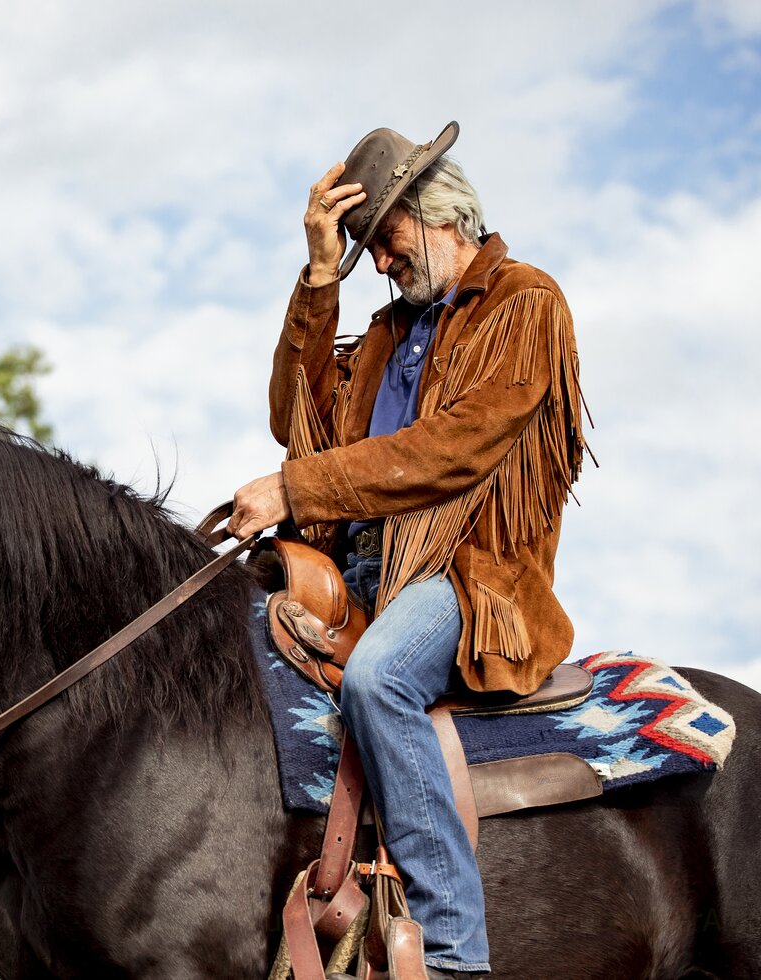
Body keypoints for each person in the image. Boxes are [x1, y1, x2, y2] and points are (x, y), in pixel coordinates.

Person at [227, 122, 586, 977]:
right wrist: (319, 275)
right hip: (356, 569)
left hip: (468, 574)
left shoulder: (525, 303)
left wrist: (295, 491)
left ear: (438, 213)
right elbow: (296, 421)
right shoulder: (389, 333)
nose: (380, 265)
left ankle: (456, 953)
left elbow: (454, 449)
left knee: (380, 678)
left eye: (382, 243)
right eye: (366, 252)